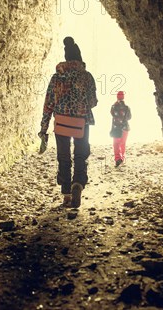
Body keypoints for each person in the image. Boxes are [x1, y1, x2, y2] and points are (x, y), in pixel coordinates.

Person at [39, 37, 98, 208]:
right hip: (81, 122)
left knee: (63, 157)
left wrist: (44, 129)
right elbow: (92, 101)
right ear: (79, 59)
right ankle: (78, 183)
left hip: (62, 123)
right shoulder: (87, 77)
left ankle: (66, 194)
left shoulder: (56, 78)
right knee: (81, 154)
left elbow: (48, 104)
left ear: (65, 59)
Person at [110, 91, 131, 167]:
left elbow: (112, 114)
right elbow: (129, 117)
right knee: (122, 143)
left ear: (117, 97)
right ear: (123, 97)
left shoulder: (113, 107)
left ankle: (118, 158)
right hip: (125, 127)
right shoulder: (127, 107)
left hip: (116, 128)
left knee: (116, 143)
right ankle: (122, 158)